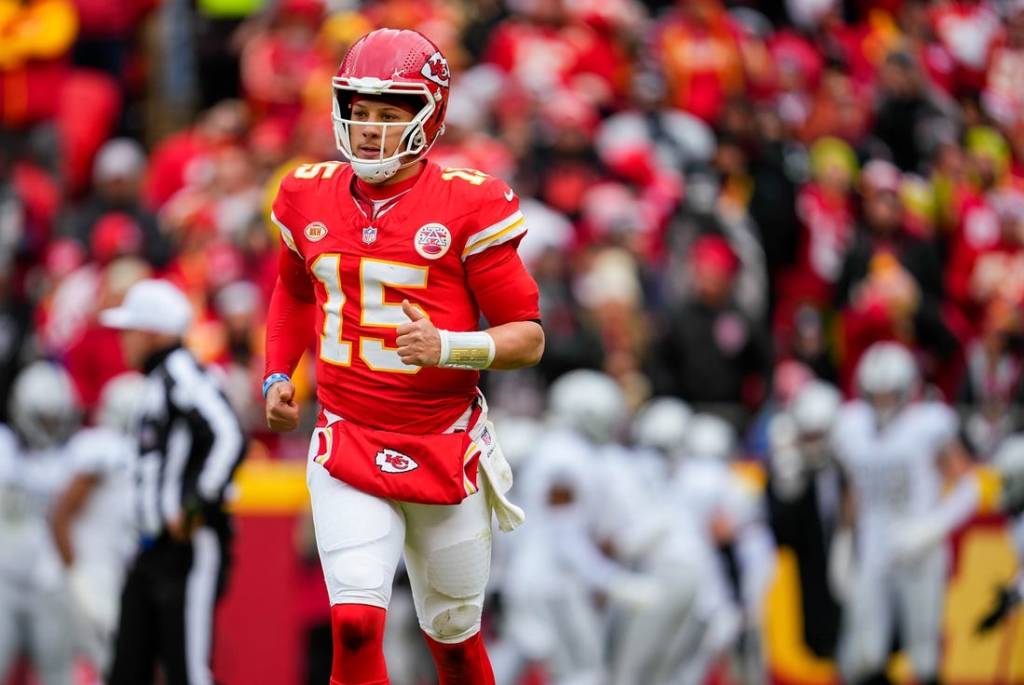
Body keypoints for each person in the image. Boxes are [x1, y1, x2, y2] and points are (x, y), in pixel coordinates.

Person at [262, 28, 544, 685]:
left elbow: (527, 337)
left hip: (442, 444)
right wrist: (280, 371)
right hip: (348, 437)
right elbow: (293, 288)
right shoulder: (306, 193)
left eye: (389, 114)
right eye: (360, 110)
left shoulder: (470, 204)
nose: (368, 129)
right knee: (355, 625)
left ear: (430, 117)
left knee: (454, 643)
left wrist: (447, 347)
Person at [100, 279, 247, 685]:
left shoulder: (181, 372)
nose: (124, 341)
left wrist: (196, 505)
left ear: (152, 331)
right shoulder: (158, 380)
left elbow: (229, 433)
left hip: (188, 545)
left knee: (188, 671)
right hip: (151, 550)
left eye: (129, 330)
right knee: (126, 669)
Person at [832, 342, 958, 685]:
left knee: (924, 654)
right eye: (875, 394)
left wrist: (932, 528)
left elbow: (970, 486)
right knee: (866, 653)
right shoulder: (852, 426)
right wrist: (843, 542)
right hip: (873, 543)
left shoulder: (927, 426)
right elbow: (853, 492)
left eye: (889, 394)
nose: (882, 402)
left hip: (920, 547)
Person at [51, 372, 147, 672]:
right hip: (93, 574)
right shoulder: (105, 449)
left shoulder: (139, 454)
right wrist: (75, 573)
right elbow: (61, 515)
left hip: (121, 574)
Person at [0, 362, 82, 685]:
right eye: (44, 419)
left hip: (51, 585)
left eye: (55, 419)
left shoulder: (79, 456)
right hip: (3, 581)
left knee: (58, 674)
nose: (50, 428)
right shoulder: (4, 448)